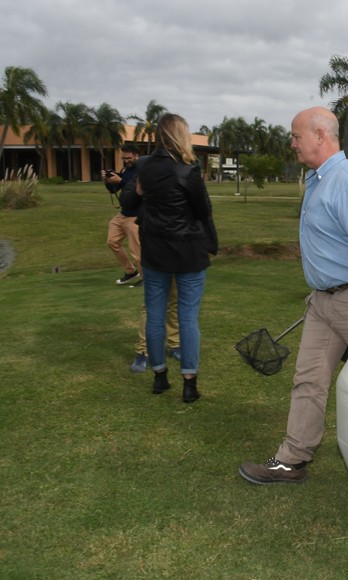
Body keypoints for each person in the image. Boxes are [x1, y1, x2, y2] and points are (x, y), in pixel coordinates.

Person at [238, 107, 348, 484]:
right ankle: (292, 459)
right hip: (324, 301)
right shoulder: (319, 178)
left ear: (320, 135)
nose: (292, 144)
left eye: (296, 136)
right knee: (308, 378)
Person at [135, 113, 217, 402]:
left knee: (155, 315)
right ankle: (189, 382)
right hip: (187, 251)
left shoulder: (144, 167)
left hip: (155, 249)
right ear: (180, 135)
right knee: (187, 317)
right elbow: (203, 210)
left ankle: (159, 376)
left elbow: (140, 200)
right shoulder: (187, 170)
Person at [118, 171, 182, 374]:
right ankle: (143, 352)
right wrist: (139, 190)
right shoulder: (145, 172)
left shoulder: (182, 173)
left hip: (177, 248)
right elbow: (126, 202)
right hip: (153, 250)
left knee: (174, 301)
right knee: (151, 305)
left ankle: (174, 344)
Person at [104, 144, 142, 285]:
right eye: (124, 158)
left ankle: (146, 278)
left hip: (136, 215)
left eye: (128, 158)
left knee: (136, 250)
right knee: (112, 241)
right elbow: (114, 190)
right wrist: (108, 181)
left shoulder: (142, 170)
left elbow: (137, 189)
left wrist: (121, 180)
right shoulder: (126, 170)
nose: (126, 161)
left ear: (136, 155)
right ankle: (130, 271)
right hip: (123, 213)